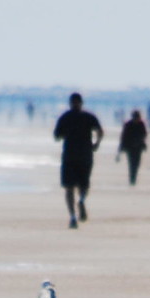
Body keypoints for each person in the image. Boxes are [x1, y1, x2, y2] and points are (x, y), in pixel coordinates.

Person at [52, 92, 104, 228]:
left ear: (70, 103)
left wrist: (65, 134)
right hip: (85, 155)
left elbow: (56, 136)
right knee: (83, 185)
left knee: (69, 188)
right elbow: (100, 131)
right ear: (81, 103)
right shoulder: (88, 116)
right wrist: (96, 143)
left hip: (69, 155)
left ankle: (73, 217)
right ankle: (81, 200)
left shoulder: (65, 117)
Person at [118, 109, 149, 186]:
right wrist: (121, 148)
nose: (137, 119)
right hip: (130, 147)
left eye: (138, 117)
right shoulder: (128, 124)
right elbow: (123, 136)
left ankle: (133, 179)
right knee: (131, 163)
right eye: (136, 117)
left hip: (138, 147)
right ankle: (132, 180)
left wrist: (142, 142)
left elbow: (144, 134)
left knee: (137, 164)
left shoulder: (141, 124)